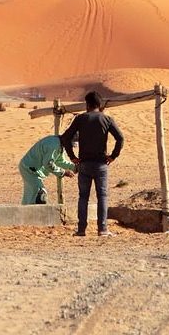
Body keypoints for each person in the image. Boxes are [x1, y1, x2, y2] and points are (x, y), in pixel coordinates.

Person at [61, 90, 124, 237]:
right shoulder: (107, 119)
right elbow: (120, 138)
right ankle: (102, 229)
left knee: (83, 197)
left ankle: (81, 230)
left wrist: (72, 156)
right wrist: (113, 156)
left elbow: (66, 138)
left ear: (87, 104)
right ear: (99, 104)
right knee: (102, 196)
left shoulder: (80, 119)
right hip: (101, 164)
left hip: (84, 164)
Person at [18, 134, 76, 205]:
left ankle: (25, 210)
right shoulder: (53, 145)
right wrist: (63, 172)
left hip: (32, 170)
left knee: (31, 196)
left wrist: (74, 167)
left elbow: (59, 161)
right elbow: (48, 164)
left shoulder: (59, 144)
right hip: (29, 169)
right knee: (40, 195)